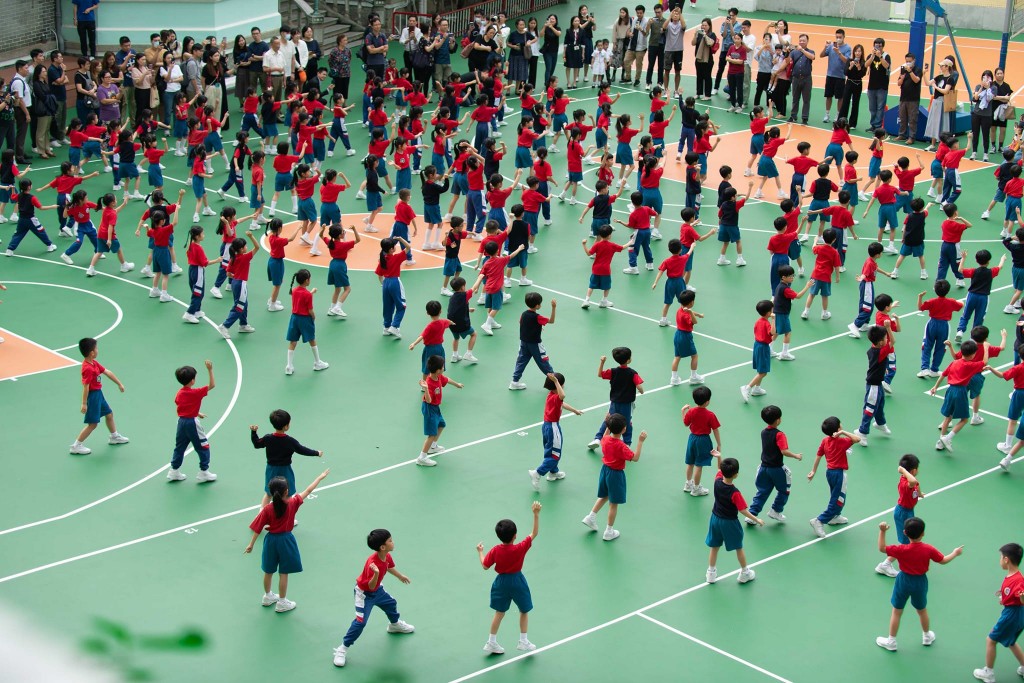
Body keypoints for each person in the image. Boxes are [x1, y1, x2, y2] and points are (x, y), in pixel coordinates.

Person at [244, 468, 329, 613]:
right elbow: (308, 490)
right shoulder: (293, 503)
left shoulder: (267, 509)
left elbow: (258, 528)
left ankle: (267, 596)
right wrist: (320, 477)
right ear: (286, 491)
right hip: (286, 541)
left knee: (268, 571)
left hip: (270, 541)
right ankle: (282, 602)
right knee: (283, 573)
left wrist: (251, 544)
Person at [873, 517, 963, 653]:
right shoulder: (928, 549)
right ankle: (927, 636)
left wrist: (882, 531)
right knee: (922, 610)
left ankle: (891, 641)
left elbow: (881, 548)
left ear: (905, 533)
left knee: (897, 611)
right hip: (920, 582)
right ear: (923, 533)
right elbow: (943, 560)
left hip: (903, 581)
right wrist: (955, 553)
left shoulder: (901, 549)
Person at [332, 528, 415, 668]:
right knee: (360, 622)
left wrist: (400, 576)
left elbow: (388, 567)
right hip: (364, 594)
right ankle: (342, 649)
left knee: (391, 603)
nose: (393, 542)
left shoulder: (386, 556)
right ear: (383, 547)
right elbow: (370, 586)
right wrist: (376, 573)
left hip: (377, 590)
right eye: (390, 541)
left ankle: (394, 625)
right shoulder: (372, 563)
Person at [479, 501, 542, 655]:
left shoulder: (495, 550)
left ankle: (491, 642)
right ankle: (523, 641)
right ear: (515, 536)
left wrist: (480, 552)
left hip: (501, 583)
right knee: (524, 610)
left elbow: (485, 566)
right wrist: (535, 514)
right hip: (517, 581)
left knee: (499, 613)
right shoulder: (520, 548)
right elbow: (534, 533)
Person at [582, 414, 647, 541]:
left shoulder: (605, 439)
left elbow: (605, 435)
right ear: (624, 429)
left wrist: (607, 424)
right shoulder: (621, 446)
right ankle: (609, 531)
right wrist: (640, 441)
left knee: (605, 495)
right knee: (613, 504)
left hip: (605, 471)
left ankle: (591, 517)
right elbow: (635, 458)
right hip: (616, 475)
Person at [972, 543, 1024, 682]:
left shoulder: (1018, 580)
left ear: (1006, 560)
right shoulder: (1014, 576)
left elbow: (1022, 598)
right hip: (1019, 614)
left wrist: (1022, 596)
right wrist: (1004, 597)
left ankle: (988, 673)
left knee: (990, 640)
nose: (999, 560)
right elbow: (1013, 595)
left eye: (1001, 557)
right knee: (1011, 641)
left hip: (1011, 615)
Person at [705, 456, 762, 584]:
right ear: (736, 475)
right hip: (729, 522)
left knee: (714, 547)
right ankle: (745, 573)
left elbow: (719, 469)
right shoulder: (735, 493)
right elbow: (743, 510)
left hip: (715, 519)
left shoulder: (717, 481)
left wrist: (719, 457)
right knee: (738, 547)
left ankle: (711, 573)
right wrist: (757, 519)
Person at [69, 337, 128, 455]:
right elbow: (86, 387)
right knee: (93, 424)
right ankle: (76, 446)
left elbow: (107, 372)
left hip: (98, 394)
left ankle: (114, 437)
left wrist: (119, 383)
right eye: (96, 348)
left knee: (109, 414)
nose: (97, 350)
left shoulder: (94, 363)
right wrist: (84, 403)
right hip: (93, 397)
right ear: (92, 353)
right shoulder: (87, 368)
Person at [929, 339, 990, 451]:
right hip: (960, 392)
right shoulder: (970, 365)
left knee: (948, 417)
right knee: (964, 419)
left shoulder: (954, 362)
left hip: (950, 391)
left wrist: (935, 387)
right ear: (972, 355)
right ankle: (947, 438)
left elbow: (943, 374)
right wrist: (986, 348)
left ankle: (940, 442)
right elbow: (985, 361)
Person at [747, 404, 802, 523]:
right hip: (777, 469)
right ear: (777, 420)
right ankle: (775, 511)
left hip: (763, 468)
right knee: (784, 490)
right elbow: (784, 451)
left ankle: (752, 515)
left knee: (762, 491)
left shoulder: (763, 432)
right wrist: (796, 456)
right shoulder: (780, 434)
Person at [807, 416, 861, 537]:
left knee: (836, 497)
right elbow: (858, 439)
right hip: (839, 474)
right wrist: (843, 432)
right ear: (838, 429)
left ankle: (834, 517)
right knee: (837, 501)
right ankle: (819, 521)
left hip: (830, 473)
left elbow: (819, 455)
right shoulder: (842, 442)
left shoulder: (825, 440)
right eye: (840, 424)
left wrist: (813, 471)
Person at [528, 372, 582, 490]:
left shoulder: (551, 395)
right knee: (554, 455)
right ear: (560, 385)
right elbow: (563, 396)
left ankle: (553, 472)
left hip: (546, 426)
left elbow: (562, 403)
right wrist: (557, 381)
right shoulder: (557, 396)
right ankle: (537, 473)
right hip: (553, 428)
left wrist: (574, 410)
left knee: (550, 452)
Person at [167, 360, 217, 482]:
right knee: (203, 446)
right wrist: (210, 369)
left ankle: (174, 471)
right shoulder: (196, 393)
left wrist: (196, 412)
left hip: (181, 422)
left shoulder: (179, 393)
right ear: (192, 380)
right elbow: (212, 385)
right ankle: (204, 472)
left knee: (180, 447)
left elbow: (181, 405)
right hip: (192, 423)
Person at [876, 454, 926, 577]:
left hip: (909, 511)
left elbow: (916, 484)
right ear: (913, 471)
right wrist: (902, 470)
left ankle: (899, 560)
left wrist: (920, 494)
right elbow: (913, 482)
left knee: (908, 540)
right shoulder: (905, 483)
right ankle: (885, 565)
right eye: (917, 469)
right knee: (905, 542)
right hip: (903, 513)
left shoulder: (912, 480)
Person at [589, 347, 644, 446]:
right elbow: (639, 386)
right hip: (627, 404)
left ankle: (598, 438)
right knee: (627, 422)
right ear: (628, 360)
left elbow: (600, 374)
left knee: (609, 420)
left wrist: (602, 362)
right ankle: (626, 443)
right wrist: (641, 391)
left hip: (614, 402)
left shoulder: (613, 371)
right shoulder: (633, 373)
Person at [508, 292, 557, 390]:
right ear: (537, 306)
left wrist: (536, 327)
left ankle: (514, 382)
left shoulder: (523, 314)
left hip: (523, 343)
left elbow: (521, 322)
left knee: (521, 362)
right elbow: (552, 321)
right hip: (535, 345)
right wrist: (553, 307)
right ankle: (555, 381)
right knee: (543, 362)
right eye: (540, 303)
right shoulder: (538, 317)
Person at [681, 386, 721, 497]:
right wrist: (719, 444)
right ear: (707, 401)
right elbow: (715, 430)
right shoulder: (710, 415)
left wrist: (683, 411)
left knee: (690, 463)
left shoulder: (691, 411)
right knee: (699, 465)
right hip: (703, 441)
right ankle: (696, 489)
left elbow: (685, 424)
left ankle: (688, 484)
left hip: (692, 439)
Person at [741, 299, 775, 402]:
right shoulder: (767, 323)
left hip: (757, 345)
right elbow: (773, 332)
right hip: (763, 347)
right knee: (763, 372)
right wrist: (774, 319)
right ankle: (747, 387)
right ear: (768, 313)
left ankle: (757, 389)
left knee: (760, 370)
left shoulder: (758, 321)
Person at [821, 30, 851, 124]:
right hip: (830, 75)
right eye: (837, 37)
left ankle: (838, 115)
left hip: (840, 76)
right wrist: (825, 47)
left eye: (840, 37)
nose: (838, 39)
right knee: (828, 96)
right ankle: (827, 114)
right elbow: (821, 55)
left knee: (840, 97)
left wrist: (838, 52)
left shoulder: (847, 48)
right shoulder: (831, 46)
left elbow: (846, 61)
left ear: (844, 37)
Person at [787, 34, 815, 126]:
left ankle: (805, 118)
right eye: (800, 40)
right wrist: (787, 52)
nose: (801, 42)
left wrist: (802, 50)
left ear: (807, 41)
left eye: (803, 40)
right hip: (795, 78)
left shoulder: (810, 51)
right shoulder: (794, 52)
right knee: (795, 98)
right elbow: (788, 61)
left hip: (806, 79)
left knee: (806, 99)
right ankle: (793, 116)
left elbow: (812, 57)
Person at [896, 53, 923, 143]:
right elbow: (899, 83)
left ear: (913, 61)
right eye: (906, 61)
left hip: (913, 99)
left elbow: (916, 80)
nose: (908, 63)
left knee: (912, 119)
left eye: (909, 61)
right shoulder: (903, 69)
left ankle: (911, 137)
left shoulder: (918, 70)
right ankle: (902, 135)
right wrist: (902, 78)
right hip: (903, 98)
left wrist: (910, 72)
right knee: (902, 118)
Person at [621, 5, 650, 87]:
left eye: (640, 13)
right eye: (638, 13)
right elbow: (630, 29)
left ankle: (637, 80)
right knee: (626, 61)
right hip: (632, 45)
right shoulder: (634, 20)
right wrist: (629, 34)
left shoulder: (647, 22)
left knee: (638, 64)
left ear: (643, 13)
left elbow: (646, 34)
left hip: (641, 48)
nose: (639, 14)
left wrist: (641, 29)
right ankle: (628, 78)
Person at [866, 38, 891, 133]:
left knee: (880, 107)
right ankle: (873, 124)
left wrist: (880, 56)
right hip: (872, 85)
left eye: (880, 45)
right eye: (876, 45)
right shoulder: (870, 55)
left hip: (882, 86)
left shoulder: (886, 56)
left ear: (883, 46)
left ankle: (878, 126)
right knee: (872, 107)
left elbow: (886, 66)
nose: (878, 46)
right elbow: (866, 65)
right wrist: (873, 55)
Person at [691, 18, 716, 100]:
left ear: (709, 26)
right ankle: (698, 93)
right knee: (699, 76)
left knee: (707, 77)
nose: (704, 27)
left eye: (705, 25)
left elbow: (710, 43)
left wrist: (705, 35)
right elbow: (693, 43)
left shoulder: (712, 34)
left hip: (708, 59)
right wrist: (695, 35)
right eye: (702, 25)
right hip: (698, 58)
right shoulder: (699, 34)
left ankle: (707, 95)